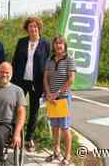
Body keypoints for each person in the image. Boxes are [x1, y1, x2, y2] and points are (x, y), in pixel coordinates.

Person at [11, 16, 50, 152]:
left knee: (34, 109)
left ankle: (29, 138)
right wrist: (11, 80)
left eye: (35, 26)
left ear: (38, 28)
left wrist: (47, 85)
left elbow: (49, 65)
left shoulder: (46, 44)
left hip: (37, 82)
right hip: (20, 81)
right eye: (30, 27)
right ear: (27, 29)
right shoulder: (21, 42)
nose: (32, 29)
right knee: (17, 107)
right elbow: (15, 61)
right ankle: (14, 134)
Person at [43, 35, 76, 166]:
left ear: (64, 46)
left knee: (65, 128)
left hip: (63, 99)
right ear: (54, 46)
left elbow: (71, 79)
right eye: (56, 43)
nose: (58, 46)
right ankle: (56, 151)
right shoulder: (49, 60)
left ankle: (67, 156)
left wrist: (56, 93)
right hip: (51, 99)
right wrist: (48, 93)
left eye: (61, 43)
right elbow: (45, 78)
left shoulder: (69, 60)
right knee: (55, 127)